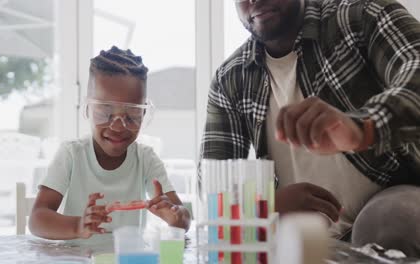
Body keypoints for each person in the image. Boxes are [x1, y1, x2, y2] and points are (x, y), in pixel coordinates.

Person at [201, 0, 420, 256]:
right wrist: (268, 205)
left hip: (397, 201)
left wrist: (362, 129)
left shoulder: (361, 16)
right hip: (298, 236)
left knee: (388, 219)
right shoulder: (230, 79)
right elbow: (213, 186)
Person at [29, 46, 191, 241]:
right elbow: (37, 219)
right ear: (88, 109)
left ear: (144, 114)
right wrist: (77, 226)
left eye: (131, 115)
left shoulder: (146, 159)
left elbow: (184, 219)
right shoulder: (71, 154)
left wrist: (175, 218)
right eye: (104, 113)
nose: (117, 127)